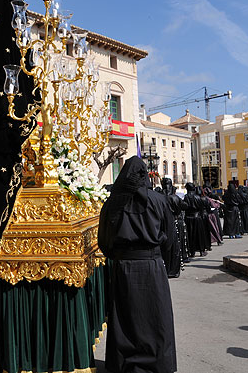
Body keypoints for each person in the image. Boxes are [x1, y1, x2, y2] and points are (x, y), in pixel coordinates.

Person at [98, 156, 177, 373]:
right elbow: (169, 237)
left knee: (126, 318)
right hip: (151, 265)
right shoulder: (158, 200)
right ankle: (156, 363)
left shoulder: (112, 203)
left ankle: (126, 363)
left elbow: (103, 241)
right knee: (155, 316)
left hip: (124, 266)